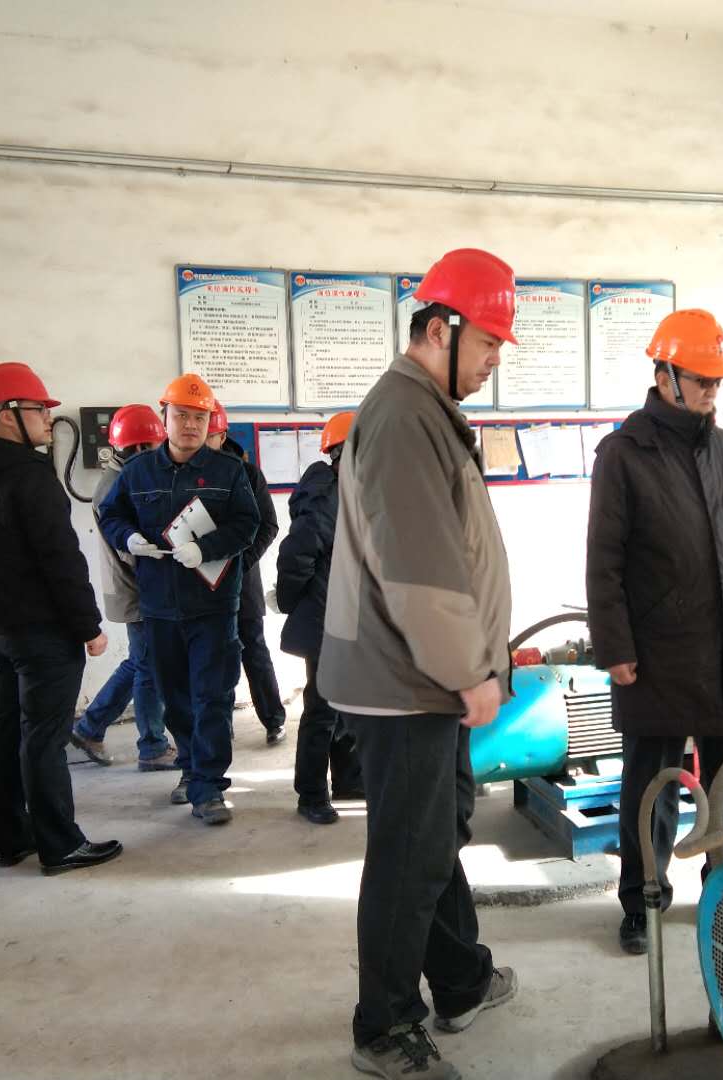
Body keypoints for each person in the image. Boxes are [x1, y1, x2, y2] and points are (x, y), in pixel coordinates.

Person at [321, 249, 521, 1080]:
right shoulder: (406, 417)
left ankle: (461, 978)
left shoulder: (423, 410)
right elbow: (417, 572)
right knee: (409, 856)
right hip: (406, 680)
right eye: (489, 342)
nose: (495, 359)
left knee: (432, 840)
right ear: (441, 329)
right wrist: (469, 671)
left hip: (413, 676)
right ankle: (384, 1025)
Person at [584, 309, 723, 955]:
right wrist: (615, 648)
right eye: (701, 379)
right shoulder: (624, 454)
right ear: (664, 375)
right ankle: (643, 900)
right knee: (652, 787)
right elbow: (604, 560)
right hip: (657, 655)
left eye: (718, 380)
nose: (712, 391)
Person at [0, 362, 122, 875]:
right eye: (40, 409)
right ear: (9, 415)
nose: (48, 419)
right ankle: (61, 845)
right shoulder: (29, 475)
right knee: (43, 738)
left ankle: (12, 839)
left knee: (4, 732)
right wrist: (88, 626)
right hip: (43, 631)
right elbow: (60, 559)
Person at [98, 374, 258, 826]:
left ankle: (209, 786)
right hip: (159, 607)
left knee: (213, 696)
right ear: (164, 416)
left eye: (199, 417)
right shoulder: (137, 473)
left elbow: (248, 524)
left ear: (210, 422)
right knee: (175, 697)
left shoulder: (229, 471)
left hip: (213, 606)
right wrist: (128, 538)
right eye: (182, 415)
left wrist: (205, 549)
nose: (191, 425)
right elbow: (111, 514)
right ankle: (190, 766)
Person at [68, 404, 177, 772]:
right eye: (153, 446)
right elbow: (130, 550)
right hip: (136, 589)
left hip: (136, 587)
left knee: (141, 662)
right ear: (137, 448)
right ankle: (152, 747)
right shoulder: (115, 486)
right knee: (148, 668)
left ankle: (90, 727)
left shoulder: (122, 476)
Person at [276, 410, 361, 826]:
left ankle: (348, 780)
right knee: (323, 708)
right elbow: (297, 554)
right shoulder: (327, 494)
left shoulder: (354, 489)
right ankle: (310, 793)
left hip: (349, 614)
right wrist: (292, 601)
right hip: (327, 616)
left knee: (348, 702)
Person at [205, 401, 286, 745]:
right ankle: (217, 727)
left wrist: (240, 563)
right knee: (211, 656)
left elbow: (269, 525)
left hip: (242, 580)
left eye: (208, 435)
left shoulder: (248, 474)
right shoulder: (183, 475)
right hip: (201, 583)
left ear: (222, 436)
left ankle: (274, 719)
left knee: (253, 650)